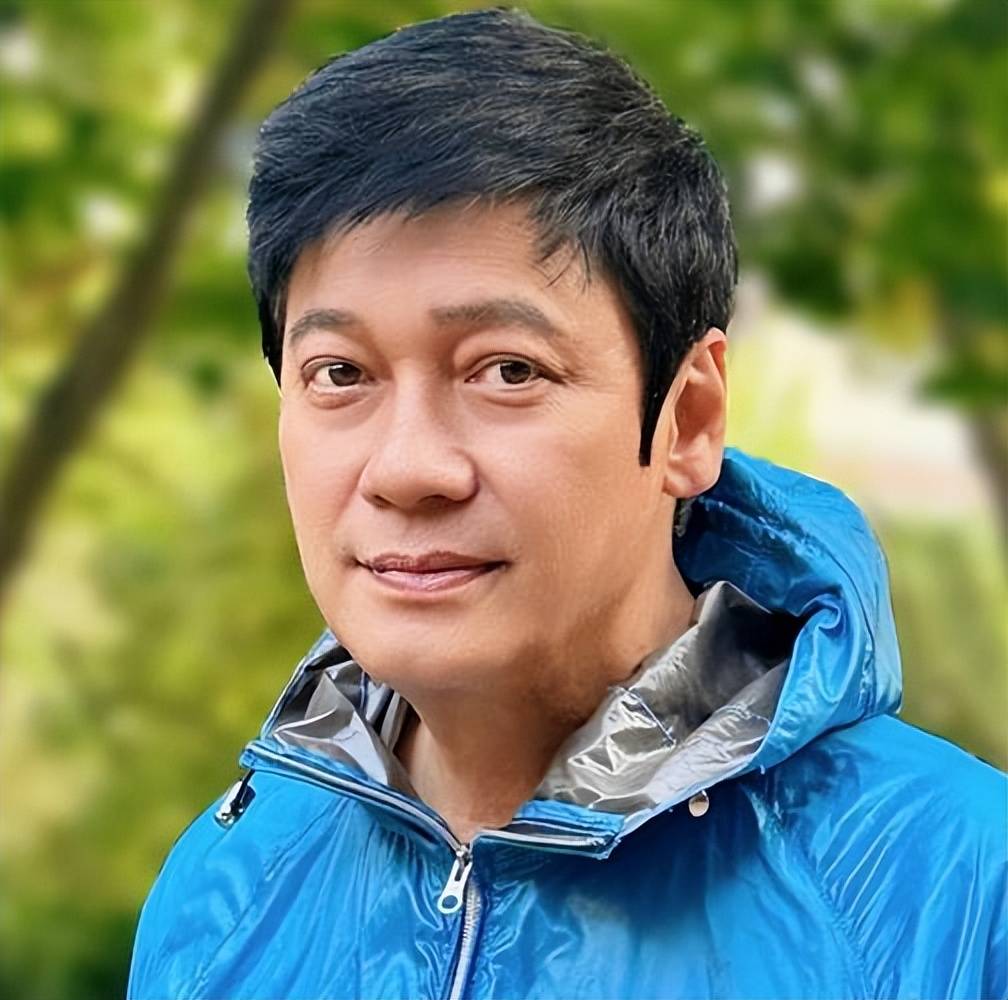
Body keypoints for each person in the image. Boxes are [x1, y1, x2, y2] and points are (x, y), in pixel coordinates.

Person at [127, 8, 1006, 999]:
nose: (407, 469)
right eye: (340, 373)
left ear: (688, 417)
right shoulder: (222, 889)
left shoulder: (955, 886)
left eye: (507, 370)